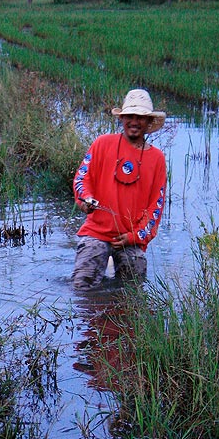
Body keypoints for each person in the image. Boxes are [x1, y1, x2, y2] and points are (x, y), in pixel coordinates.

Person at [72, 88, 167, 290]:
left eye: (140, 117)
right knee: (82, 288)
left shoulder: (157, 158)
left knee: (133, 291)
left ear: (149, 122)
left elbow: (156, 208)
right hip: (96, 234)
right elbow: (82, 178)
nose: (134, 121)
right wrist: (85, 200)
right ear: (122, 118)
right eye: (130, 116)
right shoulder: (102, 144)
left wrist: (133, 237)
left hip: (130, 240)